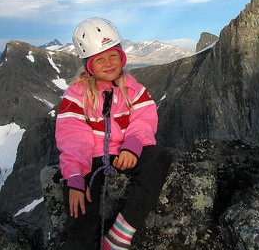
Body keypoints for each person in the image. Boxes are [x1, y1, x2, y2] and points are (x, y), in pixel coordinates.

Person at [56, 17, 172, 250]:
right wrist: (76, 176)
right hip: (90, 159)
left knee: (160, 158)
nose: (109, 63)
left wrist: (133, 145)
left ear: (122, 56)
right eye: (100, 58)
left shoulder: (133, 89)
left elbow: (144, 119)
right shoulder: (76, 95)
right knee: (81, 207)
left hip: (124, 151)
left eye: (113, 55)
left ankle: (120, 234)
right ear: (89, 64)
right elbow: (73, 136)